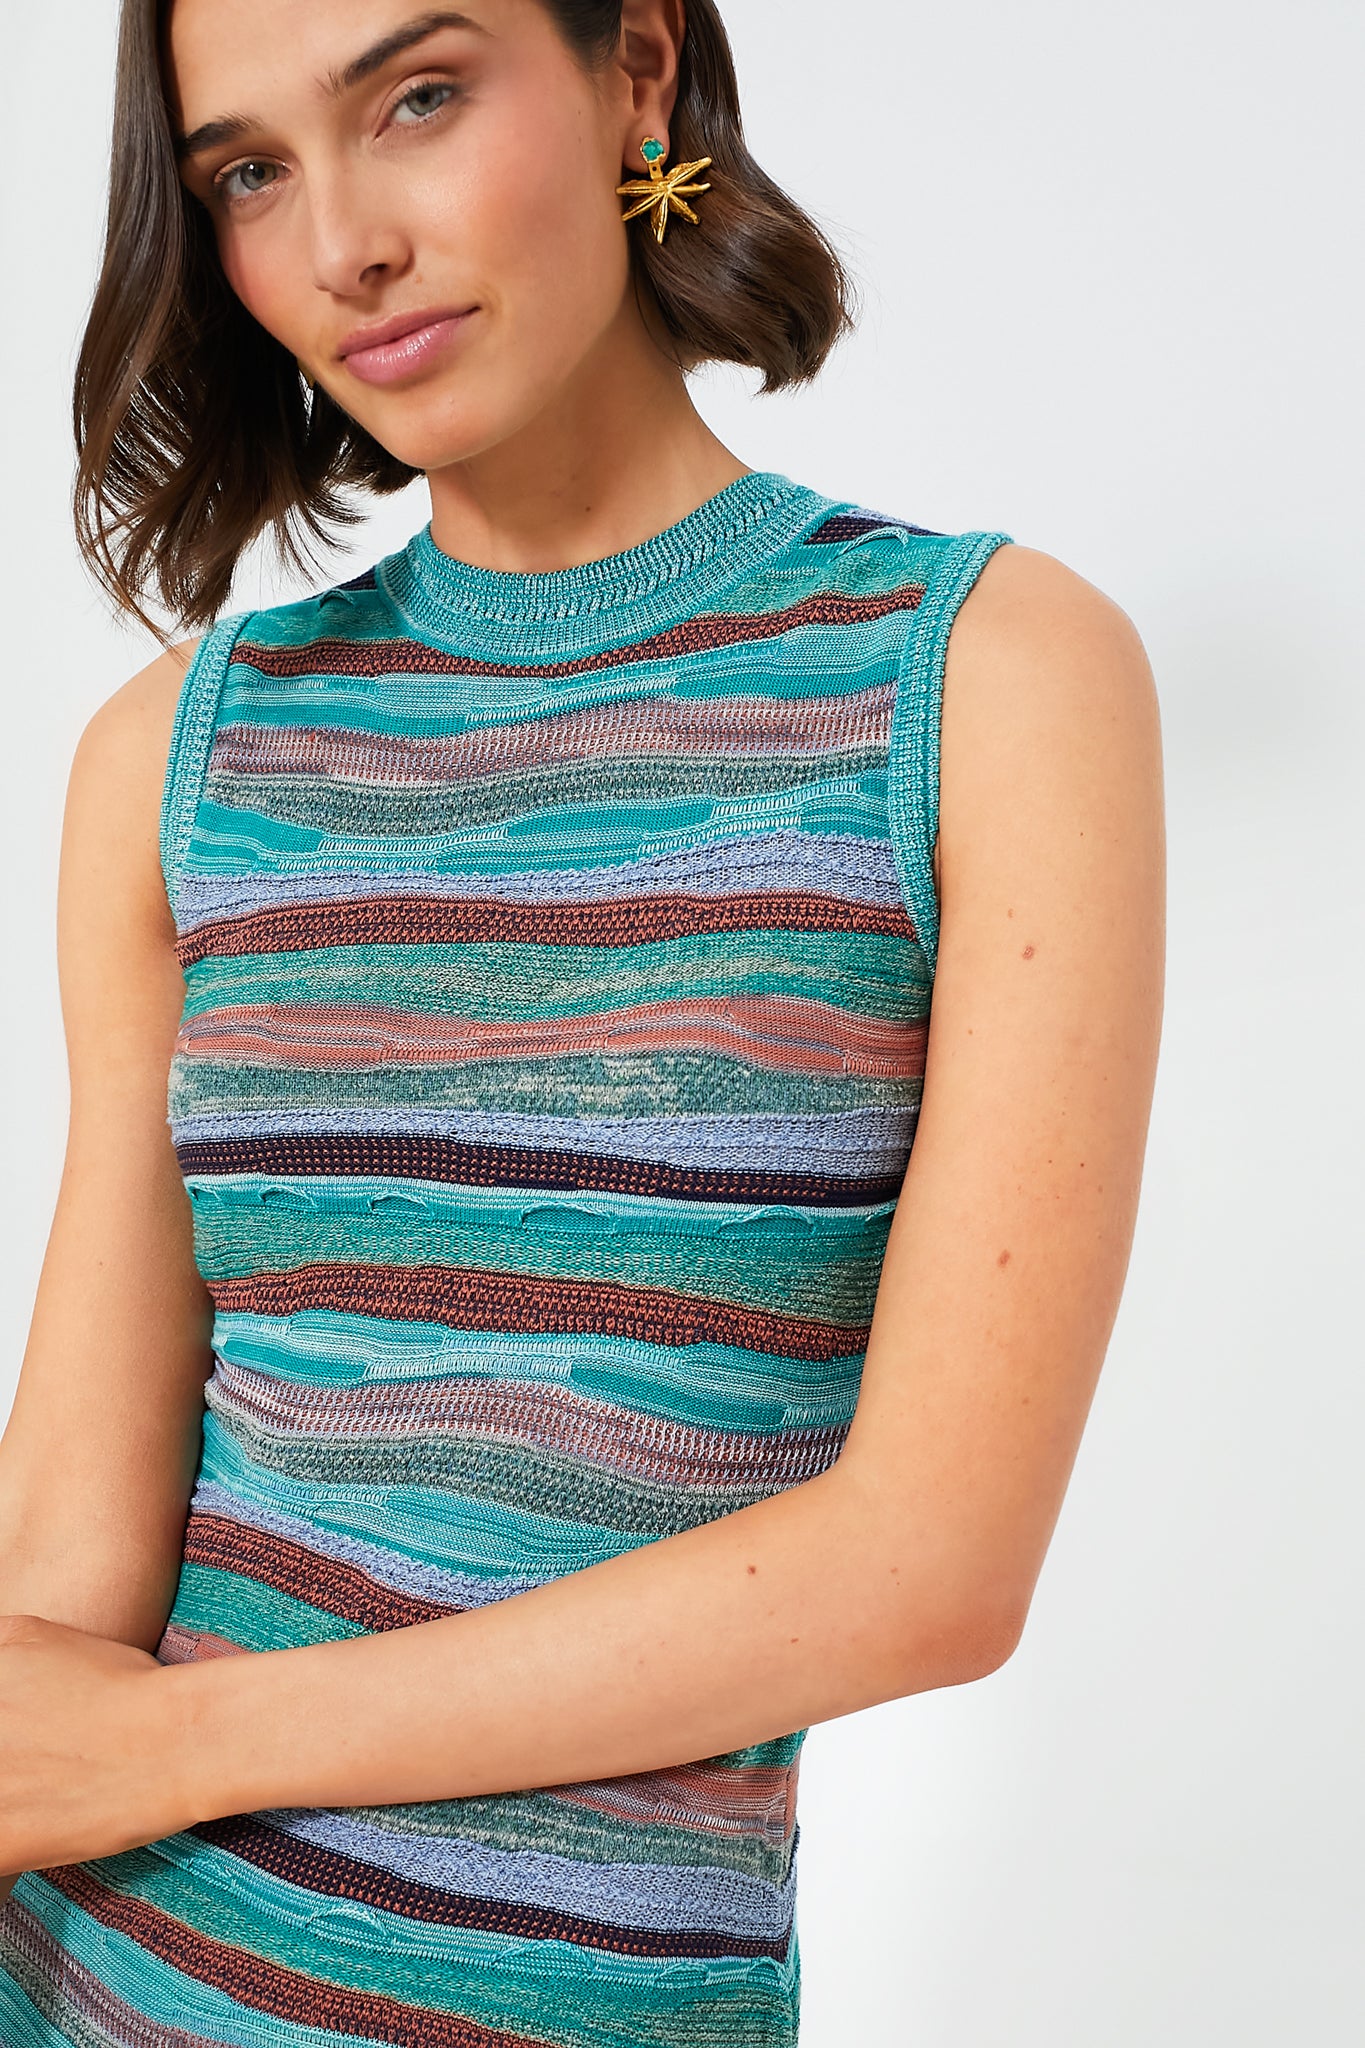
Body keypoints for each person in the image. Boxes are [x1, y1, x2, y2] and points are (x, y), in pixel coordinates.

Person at [0, 0, 1166, 2041]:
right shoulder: (179, 753)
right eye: (249, 173)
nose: (343, 243)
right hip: (91, 1984)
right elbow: (61, 1567)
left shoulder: (979, 679)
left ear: (637, 67)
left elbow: (927, 1568)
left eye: (418, 98)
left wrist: (185, 1746)